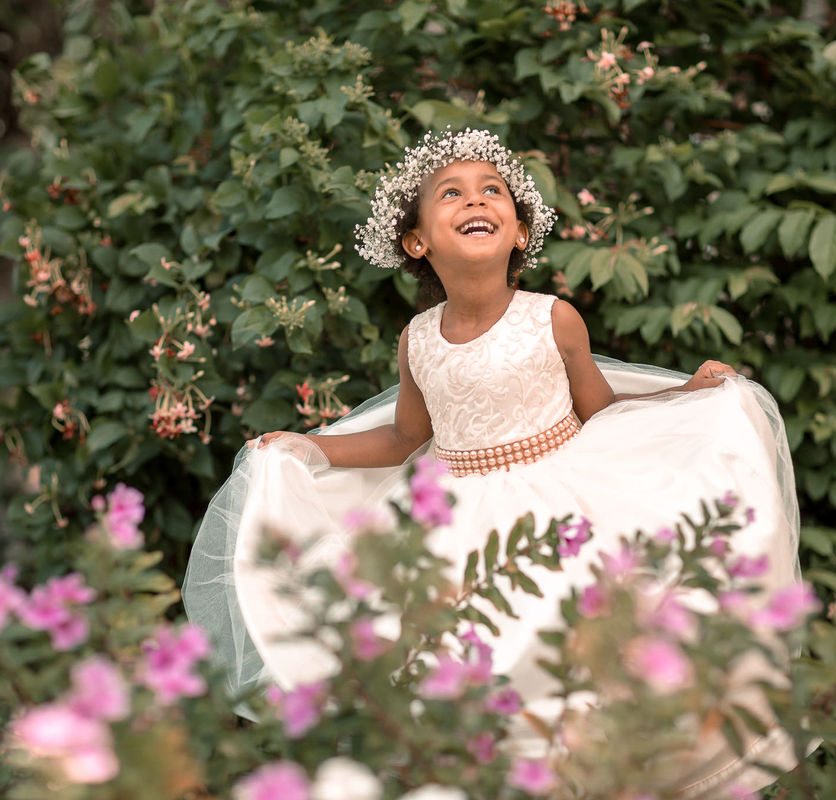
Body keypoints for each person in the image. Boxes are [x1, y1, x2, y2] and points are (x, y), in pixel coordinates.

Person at [183, 128, 803, 796]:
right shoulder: (418, 339)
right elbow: (401, 440)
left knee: (566, 649)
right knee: (455, 658)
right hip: (456, 520)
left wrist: (686, 396)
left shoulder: (552, 319)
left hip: (566, 502)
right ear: (416, 241)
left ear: (517, 233)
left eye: (493, 191)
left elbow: (600, 406)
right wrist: (307, 447)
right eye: (450, 193)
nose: (475, 199)